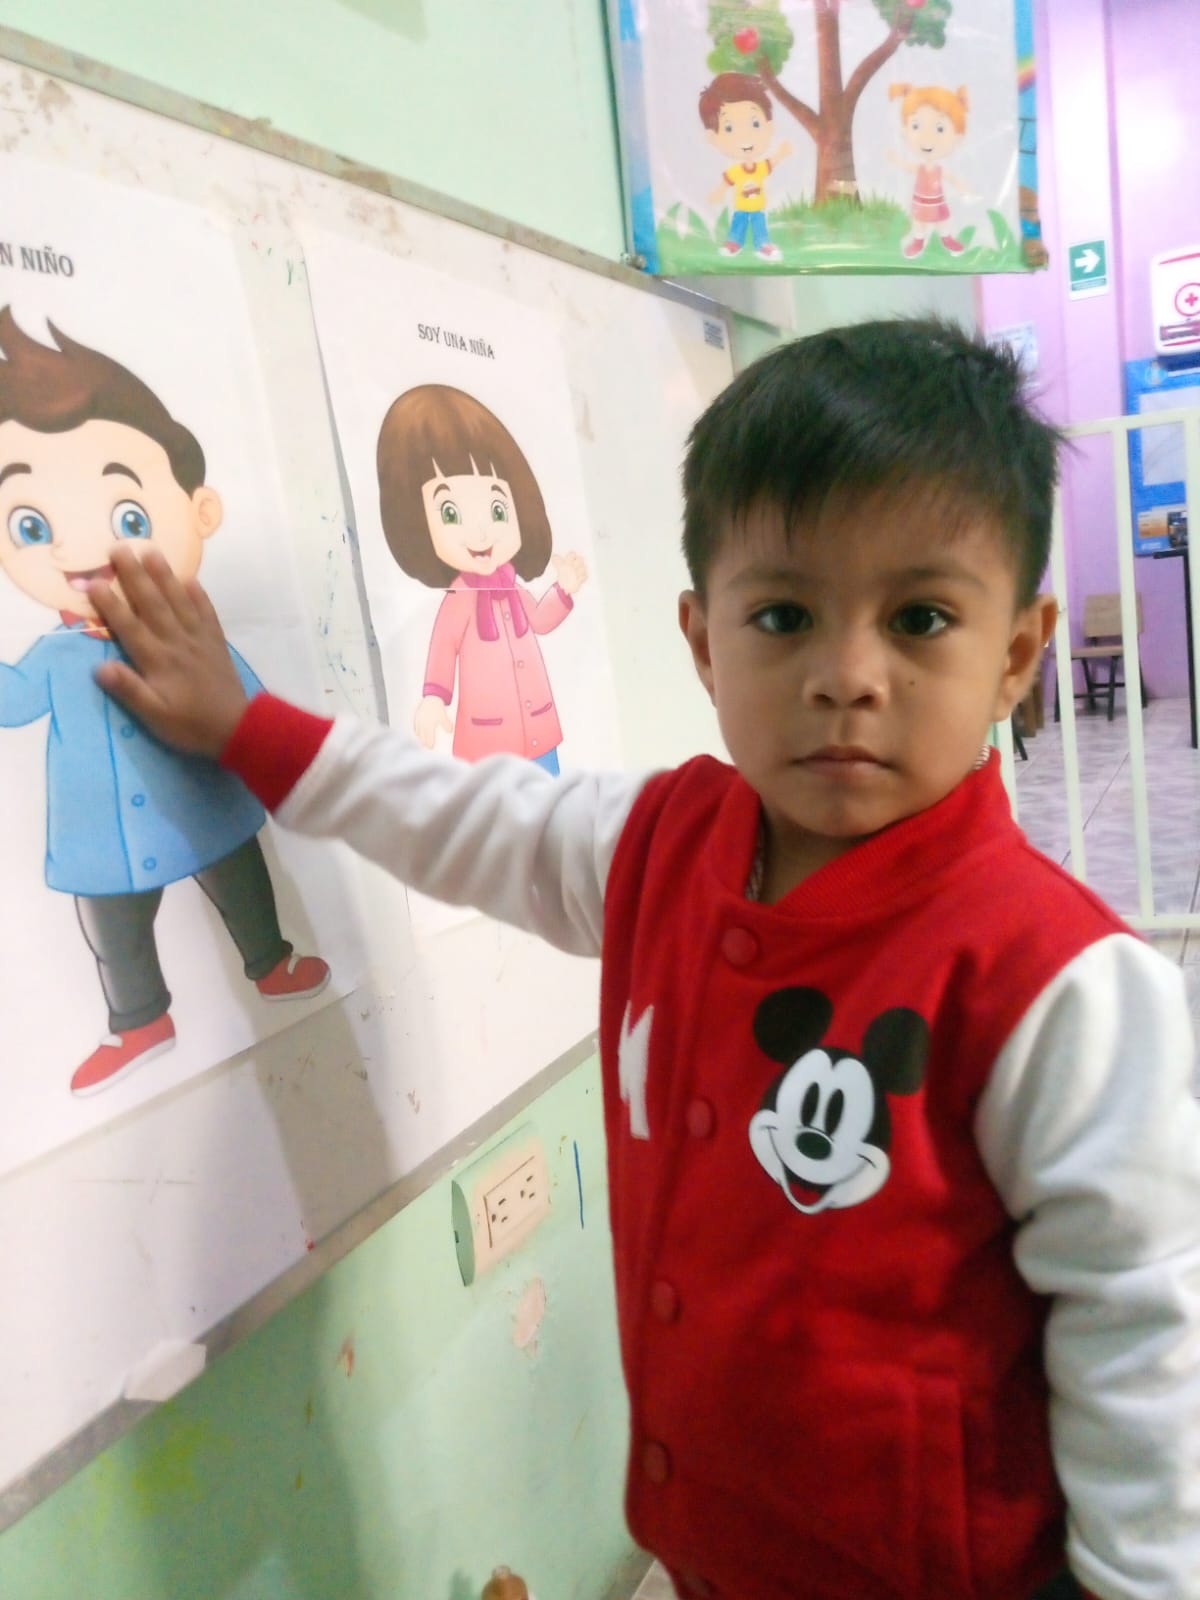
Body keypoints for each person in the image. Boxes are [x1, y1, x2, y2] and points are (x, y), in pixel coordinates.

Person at [87, 319, 1200, 1600]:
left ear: (1014, 655)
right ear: (703, 641)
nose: (847, 676)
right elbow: (454, 816)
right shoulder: (656, 843)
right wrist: (244, 727)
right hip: (712, 1548)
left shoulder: (1065, 983)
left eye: (919, 618)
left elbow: (1146, 1337)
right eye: (784, 614)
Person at [0, 310, 329, 1097]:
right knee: (113, 923)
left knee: (239, 873)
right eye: (32, 524)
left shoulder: (185, 632)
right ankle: (139, 1018)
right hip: (104, 834)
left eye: (129, 518)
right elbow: (13, 704)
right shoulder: (55, 655)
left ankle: (270, 960)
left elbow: (250, 703)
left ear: (199, 512)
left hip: (200, 801)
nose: (79, 549)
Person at [376, 383, 587, 773]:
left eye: (497, 509)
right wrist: (434, 698)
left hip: (538, 732)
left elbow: (541, 620)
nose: (481, 532)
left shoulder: (512, 588)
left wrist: (564, 590)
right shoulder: (458, 602)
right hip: (488, 744)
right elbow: (443, 649)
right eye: (451, 513)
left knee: (550, 800)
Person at [700, 73, 792, 262]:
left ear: (769, 126)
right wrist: (718, 193)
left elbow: (771, 163)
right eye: (729, 128)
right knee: (738, 224)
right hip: (741, 207)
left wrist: (782, 154)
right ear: (713, 137)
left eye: (755, 123)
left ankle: (763, 245)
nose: (744, 136)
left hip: (758, 207)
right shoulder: (736, 171)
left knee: (760, 226)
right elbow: (727, 182)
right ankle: (734, 243)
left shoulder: (760, 167)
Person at [889, 82, 973, 259]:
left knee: (942, 222)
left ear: (957, 136)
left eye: (940, 128)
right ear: (905, 131)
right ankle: (918, 241)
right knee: (919, 223)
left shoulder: (939, 170)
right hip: (921, 203)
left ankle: (947, 239)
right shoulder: (919, 168)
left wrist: (963, 190)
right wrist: (896, 160)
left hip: (937, 203)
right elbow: (907, 167)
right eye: (915, 126)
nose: (927, 137)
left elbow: (952, 179)